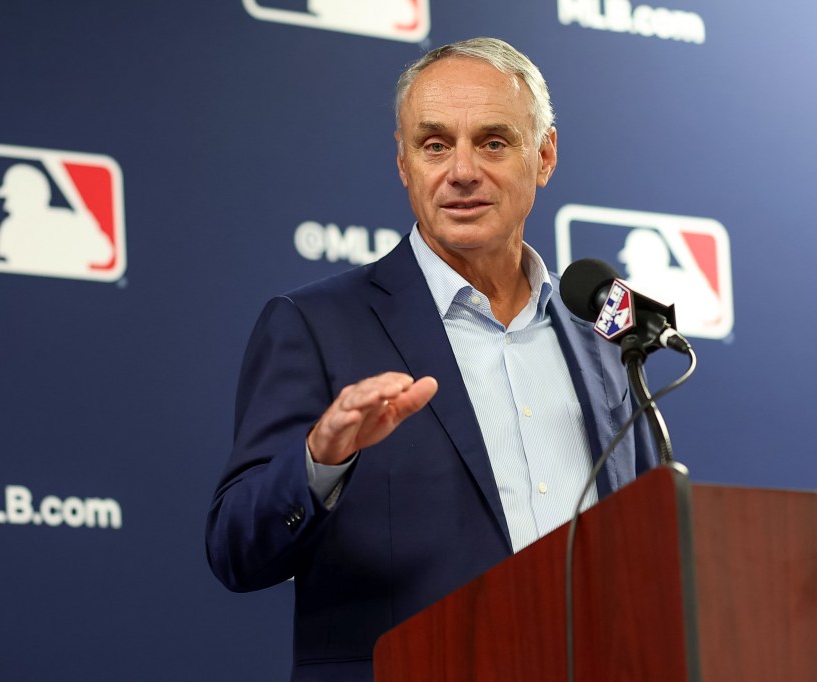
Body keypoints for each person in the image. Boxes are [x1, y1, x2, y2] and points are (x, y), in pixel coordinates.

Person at [206, 37, 656, 681]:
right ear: (403, 163)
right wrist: (318, 463)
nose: (462, 170)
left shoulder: (604, 335)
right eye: (435, 144)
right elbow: (234, 551)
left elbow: (642, 549)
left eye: (494, 142)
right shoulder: (317, 325)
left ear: (545, 155)